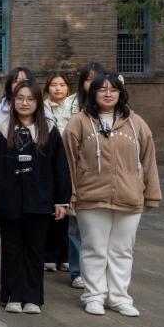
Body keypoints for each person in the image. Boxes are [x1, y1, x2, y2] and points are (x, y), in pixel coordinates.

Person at [64, 73, 161, 317]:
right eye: (102, 89)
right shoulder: (79, 122)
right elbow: (68, 161)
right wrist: (70, 193)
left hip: (129, 196)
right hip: (90, 196)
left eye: (113, 89)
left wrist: (151, 193)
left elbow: (148, 159)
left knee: (122, 250)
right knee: (94, 248)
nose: (108, 94)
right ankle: (94, 296)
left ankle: (119, 297)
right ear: (92, 93)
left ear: (121, 93)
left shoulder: (136, 123)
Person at [0, 81, 70, 314]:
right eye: (20, 98)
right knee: (11, 248)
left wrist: (61, 200)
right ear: (13, 101)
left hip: (40, 200)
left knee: (35, 249)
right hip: (8, 199)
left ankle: (32, 297)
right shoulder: (1, 128)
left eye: (30, 99)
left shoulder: (48, 129)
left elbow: (60, 167)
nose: (24, 103)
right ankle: (12, 295)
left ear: (38, 102)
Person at [66, 62, 104, 290]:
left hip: (103, 175)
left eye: (97, 78)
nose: (93, 83)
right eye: (89, 79)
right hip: (79, 172)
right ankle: (77, 271)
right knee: (76, 228)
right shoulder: (72, 105)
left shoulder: (112, 107)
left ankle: (99, 272)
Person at [43, 71, 75, 272]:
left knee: (67, 211)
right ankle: (49, 254)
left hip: (70, 162)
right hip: (49, 162)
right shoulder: (42, 108)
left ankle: (65, 255)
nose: (58, 88)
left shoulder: (76, 108)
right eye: (54, 84)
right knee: (49, 212)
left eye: (62, 85)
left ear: (68, 88)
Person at [0, 67, 35, 141]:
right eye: (16, 81)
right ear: (9, 84)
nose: (21, 84)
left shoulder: (43, 110)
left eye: (25, 81)